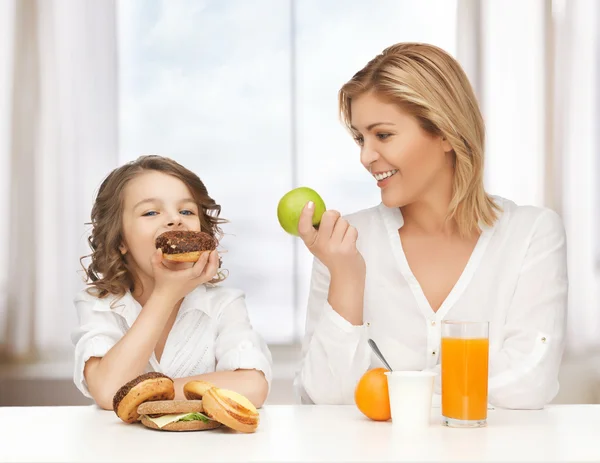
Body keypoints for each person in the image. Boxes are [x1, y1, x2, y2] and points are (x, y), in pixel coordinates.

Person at [294, 43, 568, 409]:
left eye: (384, 135)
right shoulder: (342, 243)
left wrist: (399, 390)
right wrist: (346, 278)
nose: (366, 157)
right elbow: (322, 399)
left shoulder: (532, 234)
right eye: (361, 138)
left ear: (445, 133)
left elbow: (529, 381)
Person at [72, 155, 272, 409]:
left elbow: (252, 386)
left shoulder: (223, 303)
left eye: (186, 211)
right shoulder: (98, 305)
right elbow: (109, 390)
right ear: (120, 240)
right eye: (151, 212)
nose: (175, 219)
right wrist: (164, 296)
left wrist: (146, 392)